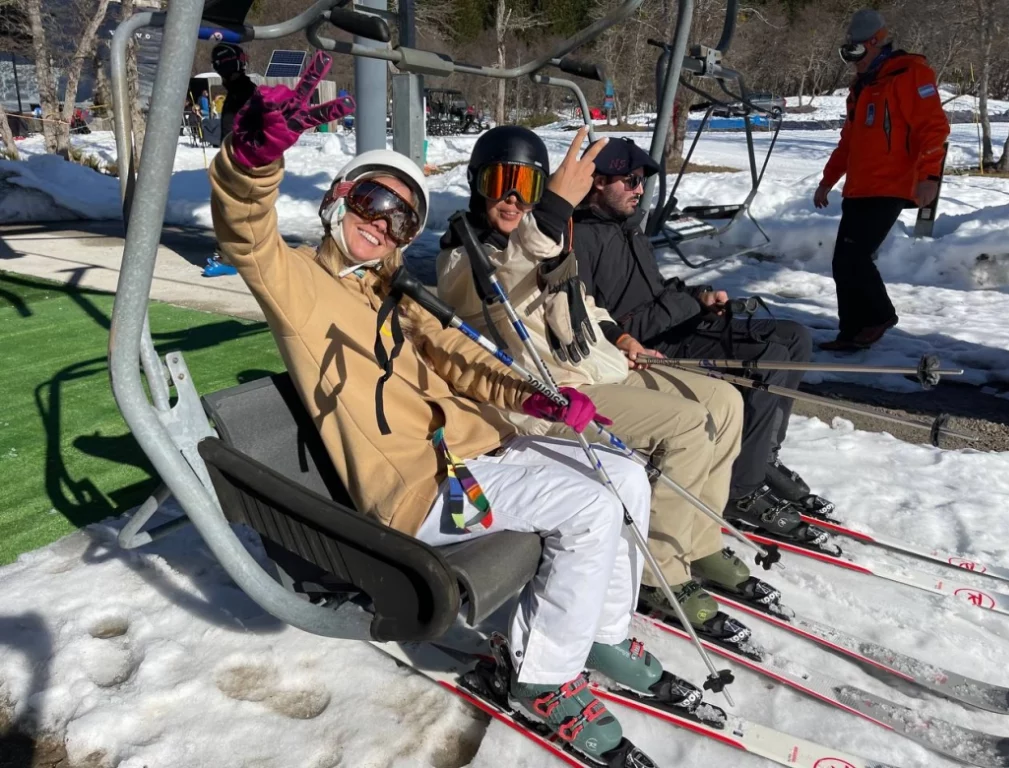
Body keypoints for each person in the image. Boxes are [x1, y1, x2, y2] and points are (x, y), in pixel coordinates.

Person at [209, 52, 694, 767]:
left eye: (400, 219)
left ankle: (603, 632)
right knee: (588, 511)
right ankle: (544, 679)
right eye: (372, 204)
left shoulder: (396, 294)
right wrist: (251, 164)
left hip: (478, 452)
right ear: (340, 200)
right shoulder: (298, 288)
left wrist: (538, 397)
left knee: (622, 474)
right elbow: (245, 231)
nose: (381, 225)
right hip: (425, 490)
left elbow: (465, 359)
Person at [437, 125, 781, 641]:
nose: (512, 198)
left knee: (725, 400)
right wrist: (550, 209)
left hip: (593, 366)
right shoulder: (463, 253)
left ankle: (697, 539)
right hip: (545, 395)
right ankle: (659, 570)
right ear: (476, 183)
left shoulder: (542, 234)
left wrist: (619, 336)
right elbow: (502, 282)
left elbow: (578, 298)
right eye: (499, 181)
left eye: (526, 186)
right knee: (686, 425)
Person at [571, 137, 832, 547]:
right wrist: (680, 311)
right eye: (630, 180)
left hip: (678, 324)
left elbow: (654, 287)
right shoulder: (580, 237)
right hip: (651, 345)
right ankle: (740, 489)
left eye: (641, 180)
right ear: (598, 182)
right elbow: (589, 314)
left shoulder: (627, 228)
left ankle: (761, 458)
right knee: (767, 358)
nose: (639, 189)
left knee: (794, 338)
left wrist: (698, 297)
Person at [815, 9, 950, 351]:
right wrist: (827, 181)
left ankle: (879, 316)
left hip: (890, 186)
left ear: (876, 43)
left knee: (855, 258)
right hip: (859, 188)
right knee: (842, 262)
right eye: (847, 54)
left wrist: (930, 176)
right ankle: (850, 334)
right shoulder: (862, 88)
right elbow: (849, 142)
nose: (852, 61)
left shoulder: (909, 75)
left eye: (856, 53)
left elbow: (933, 129)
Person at [203, 43, 260, 278]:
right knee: (229, 207)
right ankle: (232, 254)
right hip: (234, 157)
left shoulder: (245, 90)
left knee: (233, 209)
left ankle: (231, 257)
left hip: (243, 159)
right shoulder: (237, 89)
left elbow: (253, 126)